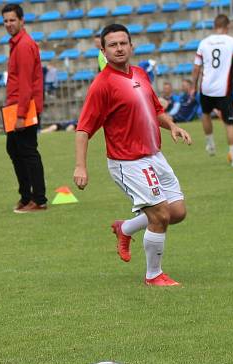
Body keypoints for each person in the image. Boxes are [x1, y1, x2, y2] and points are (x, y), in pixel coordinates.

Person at [73, 24, 192, 287]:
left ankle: (124, 228)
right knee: (160, 215)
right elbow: (83, 130)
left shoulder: (140, 74)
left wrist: (172, 126)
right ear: (103, 50)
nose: (118, 48)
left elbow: (155, 109)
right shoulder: (101, 86)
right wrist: (80, 166)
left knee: (177, 211)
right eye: (112, 45)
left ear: (131, 46)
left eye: (123, 43)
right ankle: (153, 275)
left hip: (154, 156)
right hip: (128, 162)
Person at [3, 3, 48, 213]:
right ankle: (26, 196)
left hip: (24, 107)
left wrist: (21, 115)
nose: (9, 24)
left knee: (28, 152)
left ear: (22, 20)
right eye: (5, 21)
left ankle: (38, 199)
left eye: (12, 20)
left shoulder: (23, 46)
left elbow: (26, 84)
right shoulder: (17, 44)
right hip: (15, 106)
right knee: (14, 149)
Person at [191, 14, 233, 166]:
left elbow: (196, 67)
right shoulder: (232, 42)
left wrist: (194, 86)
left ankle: (210, 143)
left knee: (205, 114)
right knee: (229, 123)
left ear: (214, 26)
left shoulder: (204, 43)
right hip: (223, 90)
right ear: (228, 26)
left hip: (205, 87)